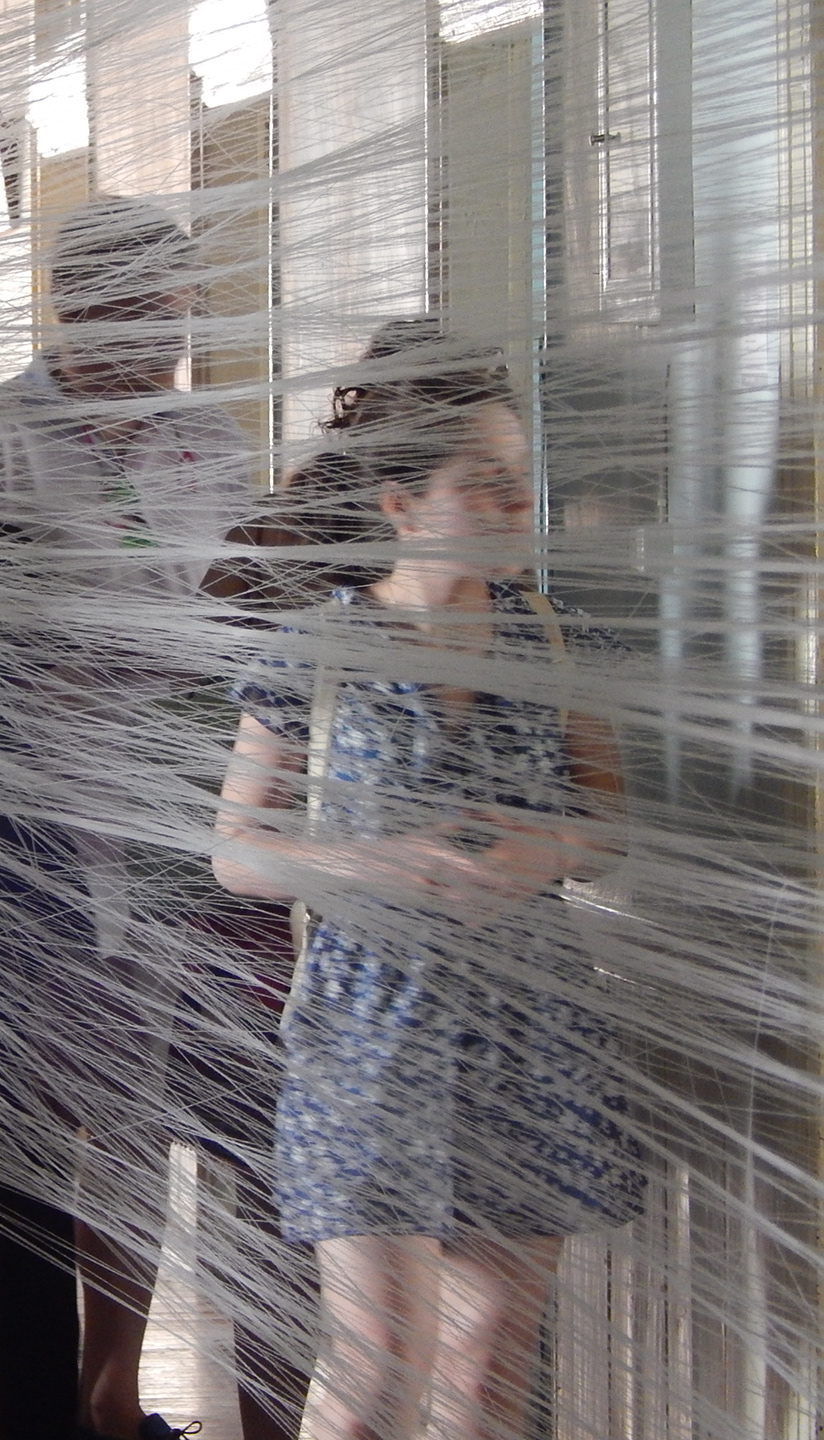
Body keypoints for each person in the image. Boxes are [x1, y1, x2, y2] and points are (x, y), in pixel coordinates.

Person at [213, 324, 646, 1440]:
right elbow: (235, 851)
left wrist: (545, 853)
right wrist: (371, 864)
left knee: (487, 1367)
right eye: (486, 483)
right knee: (377, 1368)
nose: (518, 504)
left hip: (530, 1028)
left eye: (520, 479)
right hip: (366, 1037)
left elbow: (609, 823)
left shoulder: (554, 642)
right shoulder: (316, 650)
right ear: (402, 505)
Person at [0, 195, 306, 1440]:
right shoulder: (0, 440)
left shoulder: (205, 438)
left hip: (197, 809)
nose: (172, 344)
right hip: (55, 828)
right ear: (75, 308)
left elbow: (232, 602)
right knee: (89, 1109)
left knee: (190, 1107)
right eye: (147, 316)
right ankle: (86, 1389)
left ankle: (147, 1390)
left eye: (181, 315)